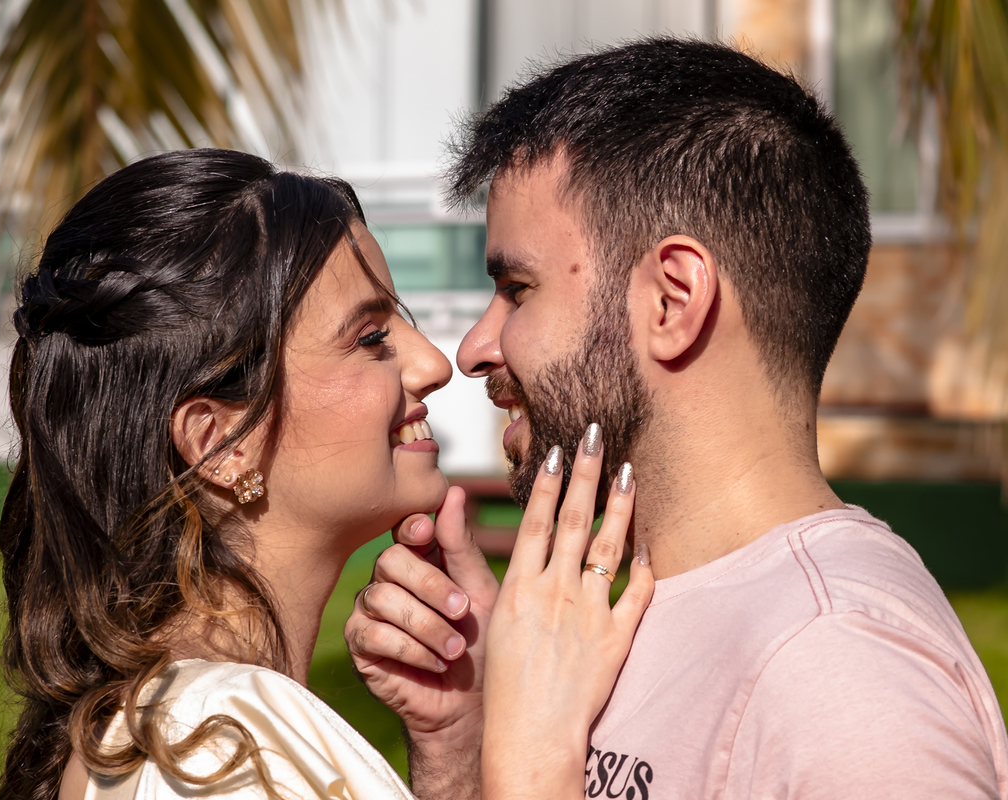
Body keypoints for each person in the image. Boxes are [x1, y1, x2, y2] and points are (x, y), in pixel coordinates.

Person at [346, 38, 1008, 799]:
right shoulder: (614, 618)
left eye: (518, 288)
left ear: (673, 300)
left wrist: (528, 774)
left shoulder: (839, 672)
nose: (472, 349)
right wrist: (469, 742)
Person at [0, 147, 652, 800]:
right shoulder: (211, 758)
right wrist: (534, 754)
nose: (433, 364)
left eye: (404, 322)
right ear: (220, 442)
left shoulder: (197, 731)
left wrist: (457, 748)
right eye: (369, 338)